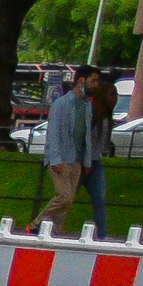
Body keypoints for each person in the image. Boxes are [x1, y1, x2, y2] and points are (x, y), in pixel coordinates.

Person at [35, 65, 99, 233]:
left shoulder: (86, 106)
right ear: (81, 80)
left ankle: (55, 229)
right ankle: (36, 224)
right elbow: (53, 133)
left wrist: (86, 160)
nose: (96, 85)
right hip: (61, 157)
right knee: (64, 196)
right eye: (93, 80)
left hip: (76, 159)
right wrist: (55, 159)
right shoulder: (61, 104)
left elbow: (86, 135)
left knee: (68, 201)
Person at [86, 69, 118, 239]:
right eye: (112, 94)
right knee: (64, 199)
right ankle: (43, 225)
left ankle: (102, 234)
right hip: (83, 162)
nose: (115, 98)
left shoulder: (106, 118)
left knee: (99, 199)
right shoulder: (93, 115)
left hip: (95, 162)